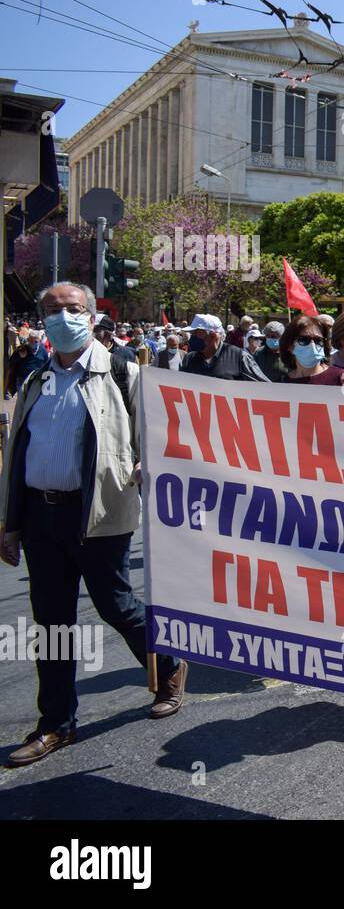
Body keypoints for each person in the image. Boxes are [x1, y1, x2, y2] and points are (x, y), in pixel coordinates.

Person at [0, 282, 188, 766]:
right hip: (42, 518)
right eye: (53, 310)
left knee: (117, 606)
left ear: (91, 315)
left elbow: (156, 440)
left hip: (101, 515)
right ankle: (55, 725)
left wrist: (150, 475)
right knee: (52, 623)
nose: (64, 317)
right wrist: (10, 524)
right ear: (42, 319)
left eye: (73, 309)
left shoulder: (123, 369)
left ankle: (168, 665)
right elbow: (18, 453)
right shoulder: (35, 380)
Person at [180, 313, 270, 381]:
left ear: (214, 335)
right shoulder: (189, 358)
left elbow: (263, 388)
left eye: (197, 333)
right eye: (192, 334)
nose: (193, 338)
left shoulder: (239, 357)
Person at [283, 315, 344, 385]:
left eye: (318, 340)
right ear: (290, 346)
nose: (312, 345)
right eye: (303, 340)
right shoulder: (281, 383)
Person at [6, 329, 48, 395]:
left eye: (36, 341)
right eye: (31, 341)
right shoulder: (21, 349)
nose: (34, 343)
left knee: (33, 403)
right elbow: (11, 363)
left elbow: (46, 365)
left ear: (40, 341)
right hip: (22, 381)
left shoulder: (43, 351)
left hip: (36, 382)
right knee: (22, 401)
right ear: (28, 340)